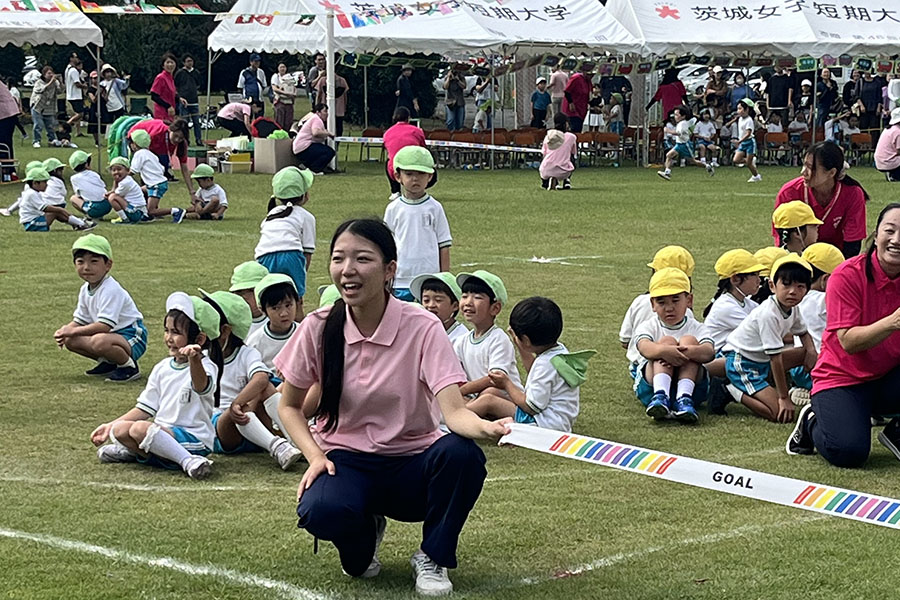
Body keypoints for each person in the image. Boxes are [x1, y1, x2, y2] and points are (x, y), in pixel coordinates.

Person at [274, 218, 509, 595]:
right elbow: (289, 407)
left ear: (389, 270)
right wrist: (316, 457)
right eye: (338, 258)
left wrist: (490, 428)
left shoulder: (422, 326)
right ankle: (364, 531)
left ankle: (433, 556)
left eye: (362, 259)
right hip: (346, 461)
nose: (348, 270)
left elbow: (454, 411)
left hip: (412, 463)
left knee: (461, 455)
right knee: (326, 516)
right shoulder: (318, 326)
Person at [786, 204, 900, 467]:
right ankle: (812, 420)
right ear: (876, 233)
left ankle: (896, 433)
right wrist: (892, 323)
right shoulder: (847, 275)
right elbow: (847, 341)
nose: (896, 240)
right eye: (890, 230)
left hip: (888, 376)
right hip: (842, 379)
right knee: (849, 453)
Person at [90, 291, 221, 480]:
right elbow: (144, 408)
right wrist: (110, 425)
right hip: (161, 432)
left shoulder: (206, 366)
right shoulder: (162, 368)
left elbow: (201, 385)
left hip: (194, 438)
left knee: (139, 429)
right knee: (120, 430)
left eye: (176, 332)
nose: (169, 337)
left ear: (199, 339)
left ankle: (188, 461)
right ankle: (138, 453)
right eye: (167, 330)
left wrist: (194, 359)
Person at [201, 289, 302, 470]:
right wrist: (236, 406)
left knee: (263, 387)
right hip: (222, 429)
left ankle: (296, 438)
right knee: (239, 410)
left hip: (251, 423)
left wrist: (237, 403)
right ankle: (278, 447)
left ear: (225, 330)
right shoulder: (201, 357)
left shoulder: (247, 353)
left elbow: (262, 379)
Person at [466, 296, 593, 433]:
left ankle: (451, 419)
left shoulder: (546, 364)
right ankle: (461, 411)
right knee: (493, 392)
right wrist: (519, 343)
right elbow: (534, 370)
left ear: (526, 340)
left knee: (489, 401)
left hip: (544, 424)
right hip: (556, 421)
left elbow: (531, 407)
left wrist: (507, 384)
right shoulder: (557, 352)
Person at [722, 254, 817, 423]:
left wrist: (811, 351)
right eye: (786, 285)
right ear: (773, 286)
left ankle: (818, 390)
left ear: (807, 291)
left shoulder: (792, 308)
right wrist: (784, 397)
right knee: (779, 413)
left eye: (800, 286)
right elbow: (776, 359)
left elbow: (803, 332)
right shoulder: (768, 314)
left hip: (762, 360)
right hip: (743, 363)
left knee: (808, 353)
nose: (793, 291)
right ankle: (728, 390)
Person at [54, 234, 147, 382]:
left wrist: (73, 330)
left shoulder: (111, 289)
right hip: (110, 336)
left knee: (99, 341)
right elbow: (80, 319)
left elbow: (105, 325)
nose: (86, 267)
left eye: (94, 261)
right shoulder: (85, 289)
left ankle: (128, 367)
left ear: (108, 265)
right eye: (80, 262)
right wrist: (64, 331)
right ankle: (109, 362)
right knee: (70, 340)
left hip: (132, 336)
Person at [632, 268, 713, 423]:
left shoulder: (697, 327)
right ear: (652, 304)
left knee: (689, 341)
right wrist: (665, 351)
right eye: (661, 302)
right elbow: (643, 347)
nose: (669, 308)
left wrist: (685, 353)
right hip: (651, 388)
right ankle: (661, 396)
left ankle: (684, 398)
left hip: (694, 389)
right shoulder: (649, 326)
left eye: (675, 300)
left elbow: (709, 352)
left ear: (689, 300)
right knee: (666, 342)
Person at [774, 141, 868, 257]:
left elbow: (853, 244)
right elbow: (783, 241)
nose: (803, 172)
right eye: (804, 165)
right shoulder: (789, 193)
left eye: (810, 168)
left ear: (831, 172)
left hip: (835, 260)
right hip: (796, 261)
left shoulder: (852, 194)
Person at [384, 146, 451, 301]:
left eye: (421, 174)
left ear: (429, 177)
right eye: (409, 174)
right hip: (400, 280)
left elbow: (444, 245)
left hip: (429, 279)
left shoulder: (435, 208)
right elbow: (385, 246)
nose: (415, 179)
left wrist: (444, 279)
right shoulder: (393, 208)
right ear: (398, 176)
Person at [453, 270, 523, 399]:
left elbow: (495, 379)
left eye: (477, 297)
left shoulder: (498, 339)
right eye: (464, 296)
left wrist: (462, 390)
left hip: (507, 401)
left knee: (489, 394)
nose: (468, 302)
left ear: (495, 308)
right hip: (475, 397)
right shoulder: (461, 341)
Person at [254, 167, 316, 306]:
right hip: (291, 256)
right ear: (305, 195)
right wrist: (300, 274)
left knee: (270, 299)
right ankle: (299, 326)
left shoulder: (271, 214)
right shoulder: (306, 217)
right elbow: (307, 252)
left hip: (263, 257)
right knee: (295, 299)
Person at [703, 250, 765, 355]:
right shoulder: (725, 307)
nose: (759, 280)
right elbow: (761, 332)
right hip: (719, 358)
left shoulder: (749, 304)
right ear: (735, 279)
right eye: (754, 275)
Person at [128, 129, 185, 223]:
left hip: (155, 184)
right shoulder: (150, 154)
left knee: (152, 210)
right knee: (139, 191)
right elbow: (161, 168)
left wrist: (122, 176)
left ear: (134, 144)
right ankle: (144, 212)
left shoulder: (139, 154)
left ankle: (176, 211)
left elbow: (133, 171)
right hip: (158, 182)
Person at [246, 273, 300, 371]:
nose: (283, 313)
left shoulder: (305, 333)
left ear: (297, 303)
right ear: (262, 310)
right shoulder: (255, 342)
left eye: (288, 305)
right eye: (275, 308)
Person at [798, 243, 845, 352]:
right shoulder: (824, 300)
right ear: (825, 279)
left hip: (801, 359)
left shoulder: (796, 298)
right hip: (823, 360)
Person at [128, 119, 193, 196]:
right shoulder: (157, 134)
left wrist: (192, 192)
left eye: (181, 138)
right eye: (175, 136)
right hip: (136, 137)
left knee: (160, 170)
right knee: (149, 170)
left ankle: (147, 196)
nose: (177, 140)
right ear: (170, 130)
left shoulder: (182, 144)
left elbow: (184, 168)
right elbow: (143, 157)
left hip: (159, 150)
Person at [18, 167, 94, 232]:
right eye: (44, 182)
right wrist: (60, 210)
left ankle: (79, 224)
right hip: (32, 224)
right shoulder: (31, 194)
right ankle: (81, 224)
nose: (47, 184)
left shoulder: (34, 192)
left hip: (35, 220)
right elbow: (44, 208)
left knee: (57, 211)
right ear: (35, 183)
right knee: (55, 212)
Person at [383, 106, 434, 200]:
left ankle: (395, 191)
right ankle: (418, 188)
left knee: (389, 161)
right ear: (409, 118)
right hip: (413, 165)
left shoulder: (387, 133)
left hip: (394, 169)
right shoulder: (416, 131)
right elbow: (423, 150)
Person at [657, 105, 715, 180]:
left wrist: (668, 131)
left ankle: (708, 166)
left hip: (685, 145)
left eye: (677, 115)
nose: (675, 117)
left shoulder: (682, 124)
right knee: (669, 155)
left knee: (693, 161)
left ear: (683, 116)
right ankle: (667, 173)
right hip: (679, 144)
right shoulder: (685, 122)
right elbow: (694, 119)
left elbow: (678, 133)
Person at [409, 272, 467, 344]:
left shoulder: (461, 338)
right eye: (426, 300)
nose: (431, 305)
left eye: (438, 300)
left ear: (455, 306)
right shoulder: (419, 332)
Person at [229, 261, 270, 336]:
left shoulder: (279, 320)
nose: (244, 296)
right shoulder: (231, 325)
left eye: (251, 290)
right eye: (239, 292)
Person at [69, 150, 112, 221]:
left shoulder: (74, 178)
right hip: (107, 205)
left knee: (73, 198)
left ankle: (90, 215)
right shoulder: (95, 174)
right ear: (86, 165)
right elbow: (102, 186)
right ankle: (98, 215)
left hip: (94, 207)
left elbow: (78, 194)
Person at [292, 104, 335, 173]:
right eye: (325, 111)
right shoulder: (316, 119)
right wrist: (328, 133)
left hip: (299, 149)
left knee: (321, 149)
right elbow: (315, 132)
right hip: (303, 147)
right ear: (318, 112)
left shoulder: (313, 119)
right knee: (329, 152)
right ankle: (314, 169)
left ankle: (306, 165)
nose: (327, 114)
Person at [539, 112, 577, 191]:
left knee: (547, 160)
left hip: (546, 169)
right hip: (563, 170)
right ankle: (566, 180)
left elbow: (544, 154)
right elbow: (573, 153)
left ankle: (548, 181)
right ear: (566, 123)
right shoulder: (571, 137)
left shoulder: (548, 136)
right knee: (571, 158)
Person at [106, 156, 148, 224]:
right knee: (112, 196)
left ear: (127, 170)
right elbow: (114, 191)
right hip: (136, 211)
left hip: (136, 212)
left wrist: (108, 195)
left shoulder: (125, 182)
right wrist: (115, 182)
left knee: (112, 198)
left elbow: (116, 195)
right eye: (114, 170)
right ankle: (125, 217)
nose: (116, 172)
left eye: (119, 169)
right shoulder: (125, 180)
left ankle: (124, 218)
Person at [174, 54, 204, 146]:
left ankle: (198, 139)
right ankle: (185, 140)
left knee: (196, 122)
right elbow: (175, 85)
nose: (190, 63)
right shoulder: (180, 73)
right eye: (188, 61)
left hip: (194, 101)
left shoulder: (196, 73)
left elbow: (199, 83)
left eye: (191, 61)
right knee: (184, 123)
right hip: (184, 102)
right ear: (184, 62)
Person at [31, 66, 64, 148]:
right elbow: (41, 90)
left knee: (50, 125)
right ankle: (36, 141)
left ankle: (52, 139)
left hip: (49, 107)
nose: (51, 75)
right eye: (49, 73)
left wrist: (60, 81)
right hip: (37, 106)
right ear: (44, 74)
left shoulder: (55, 83)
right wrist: (51, 82)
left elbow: (61, 91)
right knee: (38, 124)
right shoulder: (39, 82)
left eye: (52, 73)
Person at [731, 98, 762, 183]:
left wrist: (739, 141)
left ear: (746, 109)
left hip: (749, 142)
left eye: (740, 108)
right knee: (736, 160)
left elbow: (748, 133)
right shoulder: (740, 119)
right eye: (738, 108)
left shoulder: (749, 120)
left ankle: (756, 176)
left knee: (748, 164)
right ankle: (751, 161)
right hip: (742, 142)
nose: (738, 111)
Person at [314, 69, 349, 137]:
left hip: (325, 109)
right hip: (339, 109)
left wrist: (317, 106)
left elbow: (319, 95)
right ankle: (337, 143)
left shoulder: (322, 80)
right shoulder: (342, 81)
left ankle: (327, 142)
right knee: (339, 127)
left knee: (325, 126)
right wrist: (345, 107)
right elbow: (345, 96)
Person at [562, 63, 592, 133]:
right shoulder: (576, 78)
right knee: (575, 127)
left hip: (582, 108)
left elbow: (589, 94)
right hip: (573, 108)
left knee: (579, 129)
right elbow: (567, 91)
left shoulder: (588, 81)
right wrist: (570, 103)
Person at [150, 53, 178, 123]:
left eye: (172, 62)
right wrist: (168, 106)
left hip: (170, 113)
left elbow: (170, 94)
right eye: (167, 62)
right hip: (162, 114)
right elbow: (154, 96)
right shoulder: (161, 77)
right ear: (163, 65)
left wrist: (179, 98)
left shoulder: (171, 78)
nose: (170, 65)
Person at [0, 78, 22, 166]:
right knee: (5, 143)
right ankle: (8, 169)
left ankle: (7, 170)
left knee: (3, 144)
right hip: (8, 114)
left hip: (5, 115)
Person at [270, 62, 297, 132]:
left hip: (289, 102)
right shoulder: (276, 77)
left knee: (288, 122)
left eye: (284, 67)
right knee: (279, 121)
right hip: (280, 101)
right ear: (278, 68)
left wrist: (293, 95)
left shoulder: (290, 77)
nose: (282, 69)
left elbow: (294, 87)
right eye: (281, 67)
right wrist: (286, 93)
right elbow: (275, 88)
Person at [875, 107, 900, 181]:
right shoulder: (898, 132)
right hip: (889, 161)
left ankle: (892, 174)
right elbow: (899, 151)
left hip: (881, 161)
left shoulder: (888, 129)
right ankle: (893, 175)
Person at [64, 54, 86, 138]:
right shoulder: (73, 70)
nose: (77, 58)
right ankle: (66, 125)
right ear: (71, 58)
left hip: (71, 94)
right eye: (75, 57)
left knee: (78, 113)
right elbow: (77, 83)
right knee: (80, 114)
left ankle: (78, 131)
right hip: (75, 95)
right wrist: (85, 86)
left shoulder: (68, 68)